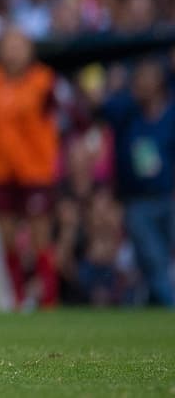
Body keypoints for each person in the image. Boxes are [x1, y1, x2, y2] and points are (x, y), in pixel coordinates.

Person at [0, 26, 62, 309]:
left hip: (35, 171)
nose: (13, 51)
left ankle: (48, 300)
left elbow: (65, 116)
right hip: (1, 171)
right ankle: (19, 299)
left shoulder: (44, 80)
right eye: (8, 45)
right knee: (7, 238)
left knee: (40, 238)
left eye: (18, 45)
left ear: (30, 50)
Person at [99, 58, 175, 307]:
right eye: (138, 78)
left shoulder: (170, 116)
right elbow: (100, 108)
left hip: (168, 197)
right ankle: (169, 307)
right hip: (137, 202)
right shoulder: (127, 115)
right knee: (152, 258)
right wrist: (116, 86)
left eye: (147, 78)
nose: (141, 83)